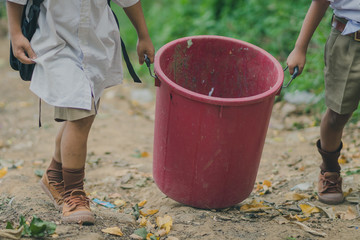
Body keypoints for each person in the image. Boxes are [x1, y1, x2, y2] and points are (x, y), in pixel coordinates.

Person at [7, 0, 155, 224]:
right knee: (80, 112)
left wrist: (143, 36)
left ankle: (55, 175)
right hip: (56, 44)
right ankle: (73, 194)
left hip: (97, 43)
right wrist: (16, 34)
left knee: (82, 116)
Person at [287, 0, 360, 205]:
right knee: (338, 114)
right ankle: (329, 171)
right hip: (349, 40)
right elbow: (320, 2)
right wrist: (300, 48)